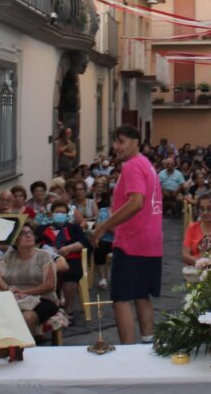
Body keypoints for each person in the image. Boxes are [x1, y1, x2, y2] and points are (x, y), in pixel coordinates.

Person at [89, 125, 163, 345]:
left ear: (135, 141)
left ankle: (128, 351)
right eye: (115, 141)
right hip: (150, 239)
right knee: (142, 295)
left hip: (132, 240)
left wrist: (103, 227)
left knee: (121, 298)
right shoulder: (147, 164)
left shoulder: (131, 166)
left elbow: (136, 202)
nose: (116, 146)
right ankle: (148, 342)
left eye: (121, 141)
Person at [0, 222, 59, 333]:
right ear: (15, 239)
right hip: (15, 298)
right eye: (23, 233)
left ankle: (27, 349)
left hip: (43, 299)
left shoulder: (43, 256)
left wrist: (24, 292)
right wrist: (7, 289)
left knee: (27, 317)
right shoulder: (9, 256)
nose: (28, 235)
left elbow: (50, 285)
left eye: (30, 233)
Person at [41, 201, 89, 319]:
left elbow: (84, 242)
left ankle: (69, 310)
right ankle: (50, 308)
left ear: (67, 214)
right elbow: (38, 244)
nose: (60, 214)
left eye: (63, 212)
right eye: (57, 212)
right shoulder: (42, 229)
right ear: (51, 214)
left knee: (71, 273)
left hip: (70, 258)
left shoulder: (74, 228)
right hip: (47, 260)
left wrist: (68, 248)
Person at [182, 193, 211, 264]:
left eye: (209, 209)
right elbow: (185, 255)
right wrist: (202, 263)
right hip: (196, 267)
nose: (205, 212)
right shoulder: (192, 228)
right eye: (202, 209)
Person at [92, 190, 115, 290]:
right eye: (112, 197)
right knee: (99, 247)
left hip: (118, 240)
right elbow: (98, 227)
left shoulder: (123, 211)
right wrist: (107, 227)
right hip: (104, 239)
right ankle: (102, 278)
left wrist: (106, 226)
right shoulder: (103, 211)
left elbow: (120, 230)